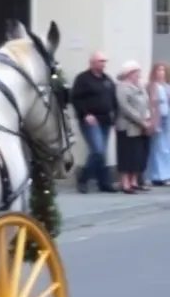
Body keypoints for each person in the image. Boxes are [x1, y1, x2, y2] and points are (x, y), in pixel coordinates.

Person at [70, 50, 117, 193]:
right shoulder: (83, 79)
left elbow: (113, 98)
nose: (104, 64)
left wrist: (114, 113)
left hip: (105, 119)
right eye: (101, 61)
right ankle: (83, 179)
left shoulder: (107, 79)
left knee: (102, 152)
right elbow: (75, 98)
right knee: (98, 150)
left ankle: (104, 183)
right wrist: (85, 114)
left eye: (105, 61)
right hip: (91, 119)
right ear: (92, 63)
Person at [114, 61, 151, 194]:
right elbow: (125, 108)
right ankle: (125, 183)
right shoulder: (122, 87)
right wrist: (141, 121)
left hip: (140, 126)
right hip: (127, 126)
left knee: (137, 154)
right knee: (126, 154)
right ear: (129, 74)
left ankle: (134, 181)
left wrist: (147, 118)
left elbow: (146, 103)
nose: (138, 75)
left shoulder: (140, 86)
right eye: (136, 73)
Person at [146, 63, 170, 185]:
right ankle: (157, 175)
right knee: (158, 147)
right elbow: (151, 103)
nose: (161, 72)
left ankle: (166, 173)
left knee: (166, 147)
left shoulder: (166, 86)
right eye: (158, 70)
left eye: (163, 70)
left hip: (167, 117)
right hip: (158, 117)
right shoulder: (152, 86)